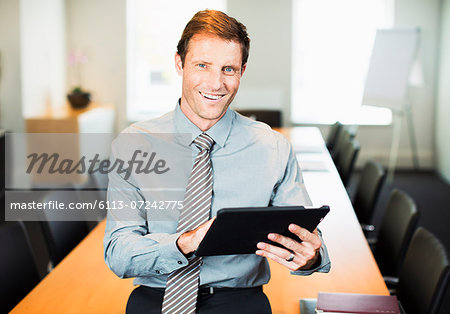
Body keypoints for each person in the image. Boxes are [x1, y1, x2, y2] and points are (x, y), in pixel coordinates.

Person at [104, 9, 330, 314]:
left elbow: (302, 236)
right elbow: (119, 253)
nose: (216, 83)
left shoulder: (272, 147)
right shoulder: (134, 144)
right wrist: (189, 241)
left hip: (239, 300)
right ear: (178, 63)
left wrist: (311, 257)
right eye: (202, 65)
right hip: (155, 296)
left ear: (242, 71)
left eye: (228, 69)